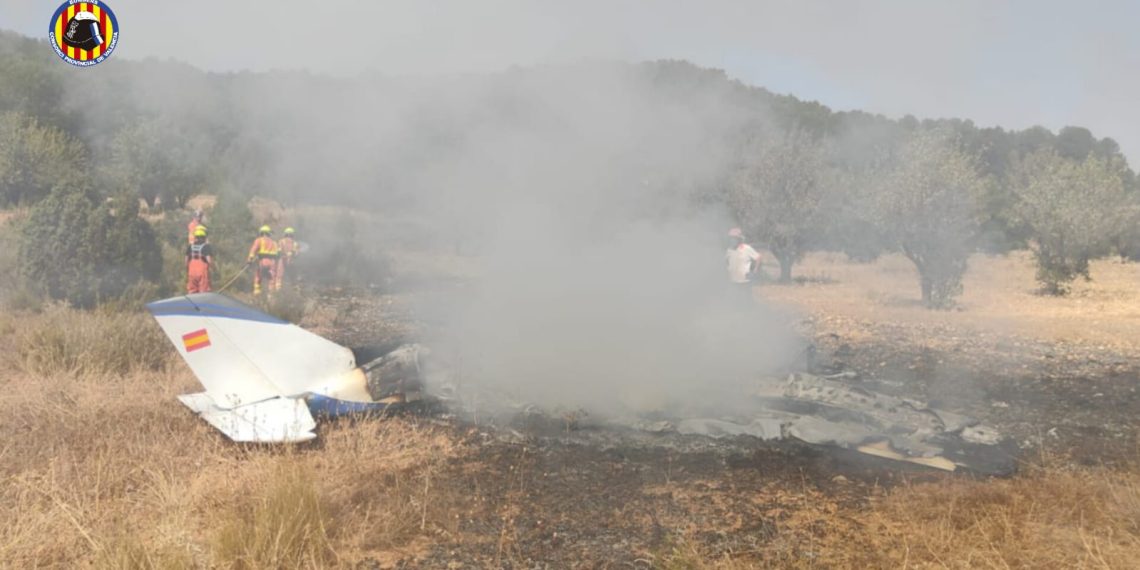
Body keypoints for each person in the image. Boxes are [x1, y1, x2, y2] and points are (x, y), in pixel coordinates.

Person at [725, 227, 762, 292]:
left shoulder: (746, 248)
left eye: (734, 238)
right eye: (731, 238)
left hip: (744, 282)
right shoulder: (729, 250)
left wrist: (755, 270)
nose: (732, 240)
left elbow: (758, 257)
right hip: (732, 281)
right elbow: (726, 261)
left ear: (739, 239)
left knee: (744, 299)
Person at [247, 225, 279, 295]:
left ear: (261, 233)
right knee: (271, 280)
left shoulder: (259, 240)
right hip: (272, 263)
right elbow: (277, 254)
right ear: (268, 233)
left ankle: (257, 294)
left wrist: (250, 259)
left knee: (258, 276)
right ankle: (271, 297)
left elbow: (253, 250)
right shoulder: (274, 243)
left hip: (262, 262)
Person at [186, 226, 214, 293]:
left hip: (191, 274)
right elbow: (209, 260)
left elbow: (186, 261)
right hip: (202, 274)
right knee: (203, 293)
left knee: (192, 292)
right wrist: (213, 268)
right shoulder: (206, 247)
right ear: (205, 236)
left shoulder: (190, 246)